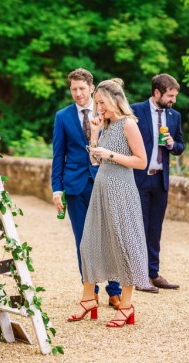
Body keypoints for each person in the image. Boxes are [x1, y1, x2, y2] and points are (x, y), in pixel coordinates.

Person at [68, 78, 149, 327]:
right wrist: (94, 133)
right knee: (89, 244)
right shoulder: (105, 125)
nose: (98, 107)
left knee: (123, 245)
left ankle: (126, 305)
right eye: (97, 103)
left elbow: (141, 161)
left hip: (121, 190)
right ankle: (88, 300)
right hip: (101, 189)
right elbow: (95, 161)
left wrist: (111, 154)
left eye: (101, 102)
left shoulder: (128, 124)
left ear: (115, 100)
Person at [51, 69, 122, 309]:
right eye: (74, 89)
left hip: (105, 181)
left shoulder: (107, 112)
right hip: (75, 186)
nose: (78, 93)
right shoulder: (62, 116)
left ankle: (115, 290)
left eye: (82, 88)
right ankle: (90, 292)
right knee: (83, 241)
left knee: (110, 237)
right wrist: (56, 189)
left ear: (91, 88)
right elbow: (58, 155)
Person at [131, 74, 185, 293]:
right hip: (139, 178)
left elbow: (181, 147)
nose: (173, 100)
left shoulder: (174, 115)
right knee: (139, 228)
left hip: (161, 179)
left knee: (155, 229)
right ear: (157, 93)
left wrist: (173, 144)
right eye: (170, 96)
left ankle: (153, 273)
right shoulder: (135, 111)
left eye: (174, 96)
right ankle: (139, 275)